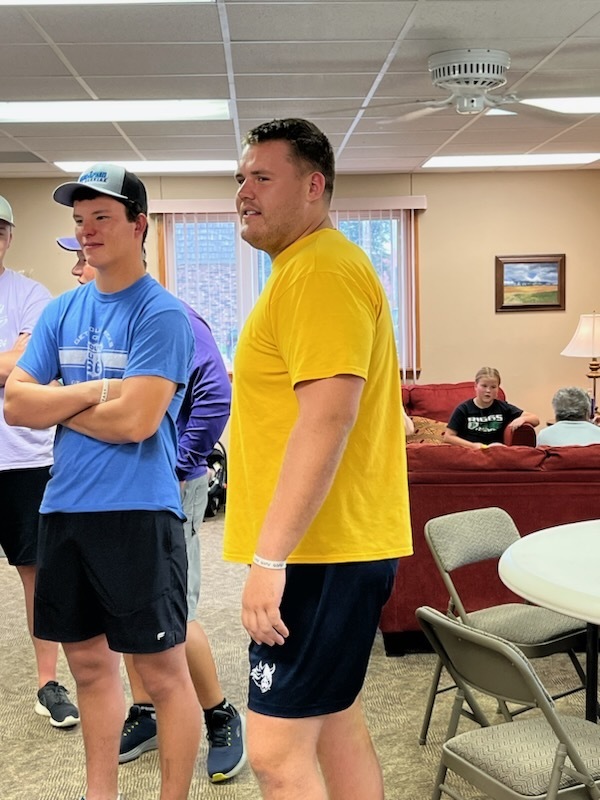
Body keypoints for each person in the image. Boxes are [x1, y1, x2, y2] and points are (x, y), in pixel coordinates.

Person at [224, 118, 413, 800]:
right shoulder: (307, 268)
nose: (244, 192)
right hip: (330, 546)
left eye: (262, 177)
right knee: (335, 724)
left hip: (319, 552)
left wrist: (270, 559)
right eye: (240, 178)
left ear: (314, 186)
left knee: (275, 755)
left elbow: (328, 419)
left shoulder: (320, 271)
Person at [5, 164, 201, 800]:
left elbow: (136, 422)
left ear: (138, 225)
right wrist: (94, 392)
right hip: (63, 508)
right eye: (79, 220)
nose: (87, 231)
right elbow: (16, 405)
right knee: (89, 666)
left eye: (102, 218)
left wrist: (58, 401)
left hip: (138, 511)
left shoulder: (161, 314)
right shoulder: (62, 310)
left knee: (162, 673)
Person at [58, 231, 247, 782]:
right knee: (126, 613)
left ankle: (219, 714)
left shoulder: (168, 316)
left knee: (173, 618)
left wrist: (178, 461)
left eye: (82, 259)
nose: (77, 269)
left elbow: (216, 395)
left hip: (166, 487)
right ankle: (148, 711)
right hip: (106, 494)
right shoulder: (89, 324)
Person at [0, 196, 79, 729]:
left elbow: (23, 370)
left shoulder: (31, 296)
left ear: (8, 237)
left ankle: (47, 683)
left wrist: (14, 365)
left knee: (37, 573)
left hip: (23, 458)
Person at [445, 366, 540, 449]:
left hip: (496, 452)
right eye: (484, 386)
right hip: (472, 451)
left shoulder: (503, 407)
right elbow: (448, 437)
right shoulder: (464, 409)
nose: (488, 390)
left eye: (493, 387)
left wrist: (522, 419)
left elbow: (535, 419)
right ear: (476, 386)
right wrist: (473, 446)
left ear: (498, 388)